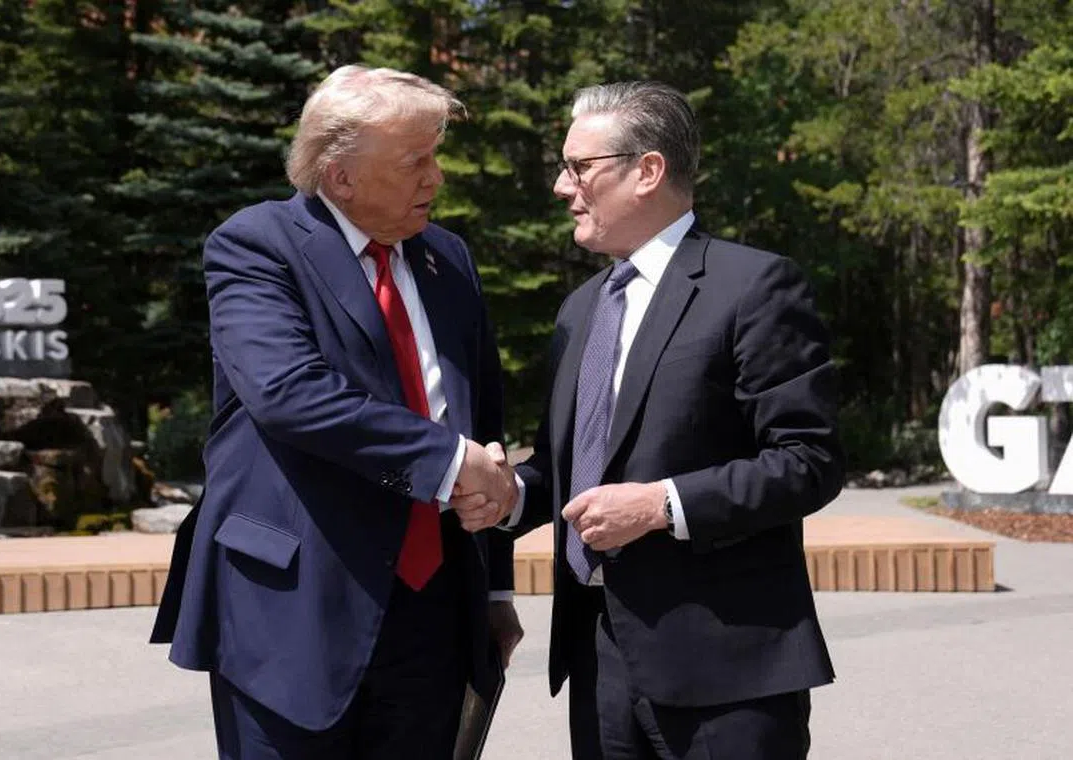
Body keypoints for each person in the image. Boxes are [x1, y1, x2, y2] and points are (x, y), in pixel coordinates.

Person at [149, 65, 523, 760]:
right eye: (417, 160)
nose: (435, 177)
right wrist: (446, 460)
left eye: (435, 155)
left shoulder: (448, 258)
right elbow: (289, 393)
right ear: (341, 176)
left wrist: (495, 584)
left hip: (434, 611)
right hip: (294, 609)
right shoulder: (257, 244)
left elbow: (484, 422)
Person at [494, 81, 843, 759]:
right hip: (599, 660)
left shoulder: (754, 286)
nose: (564, 189)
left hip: (728, 672)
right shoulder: (581, 309)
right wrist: (509, 495)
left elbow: (809, 461)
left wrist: (662, 504)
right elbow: (570, 471)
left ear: (647, 170)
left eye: (579, 168)